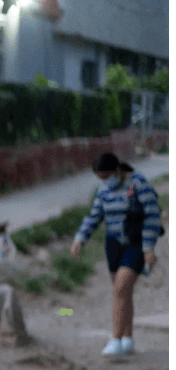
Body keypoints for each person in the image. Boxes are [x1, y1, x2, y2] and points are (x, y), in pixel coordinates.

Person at [71, 153, 162, 357]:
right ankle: (127, 339)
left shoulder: (138, 184)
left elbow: (152, 215)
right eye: (101, 179)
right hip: (113, 245)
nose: (105, 182)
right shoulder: (103, 191)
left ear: (118, 170)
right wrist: (80, 238)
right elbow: (94, 216)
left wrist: (148, 247)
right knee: (123, 293)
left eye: (107, 176)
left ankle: (115, 339)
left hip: (135, 244)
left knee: (120, 289)